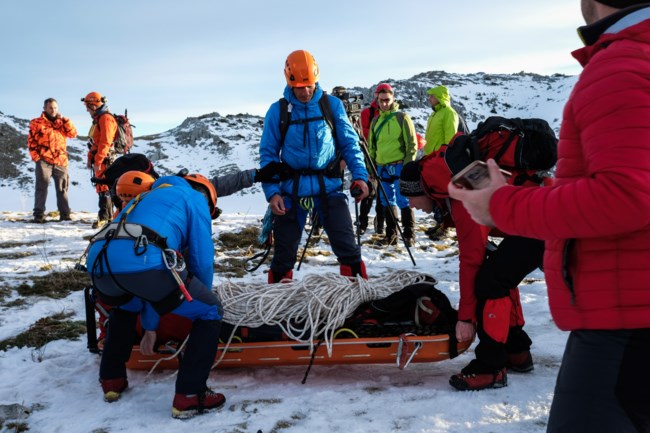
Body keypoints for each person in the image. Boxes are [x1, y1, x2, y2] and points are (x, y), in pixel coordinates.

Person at [447, 1, 650, 431]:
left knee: (491, 280)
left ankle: (498, 363)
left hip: (625, 319)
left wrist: (498, 204)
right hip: (626, 310)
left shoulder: (620, 63)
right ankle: (512, 355)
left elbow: (625, 196)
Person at [86, 172, 226, 419]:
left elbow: (142, 289)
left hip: (100, 267)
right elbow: (202, 260)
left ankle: (111, 379)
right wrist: (198, 297)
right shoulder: (193, 198)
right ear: (208, 198)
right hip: (144, 262)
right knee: (211, 310)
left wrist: (151, 328)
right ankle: (191, 396)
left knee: (126, 305)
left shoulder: (144, 197)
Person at [399, 160, 545, 391]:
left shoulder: (461, 197)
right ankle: (516, 351)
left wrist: (466, 319)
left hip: (543, 222)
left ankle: (490, 368)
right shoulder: (457, 186)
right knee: (498, 275)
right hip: (539, 219)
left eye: (410, 197)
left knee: (488, 283)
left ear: (424, 190)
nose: (410, 205)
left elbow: (470, 261)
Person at [259, 49, 370, 283]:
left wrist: (360, 176)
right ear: (289, 82)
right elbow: (268, 155)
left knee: (348, 250)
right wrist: (272, 192)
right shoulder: (277, 111)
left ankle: (359, 298)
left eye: (309, 85)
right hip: (291, 191)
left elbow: (350, 144)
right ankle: (278, 306)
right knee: (283, 256)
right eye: (300, 86)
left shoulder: (332, 106)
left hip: (329, 189)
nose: (305, 91)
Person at [368, 83, 418, 246]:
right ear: (377, 99)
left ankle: (409, 235)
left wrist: (408, 166)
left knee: (404, 200)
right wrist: (371, 168)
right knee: (385, 201)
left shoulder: (402, 117)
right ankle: (391, 236)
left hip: (399, 166)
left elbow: (412, 143)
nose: (384, 104)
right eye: (381, 101)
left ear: (393, 98)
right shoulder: (375, 121)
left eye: (387, 100)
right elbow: (372, 147)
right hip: (381, 167)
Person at [27, 98, 77, 223]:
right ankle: (38, 215)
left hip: (61, 161)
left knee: (62, 189)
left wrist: (65, 120)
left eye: (55, 107)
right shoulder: (36, 123)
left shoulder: (62, 123)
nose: (53, 110)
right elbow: (31, 142)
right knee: (41, 187)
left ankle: (65, 215)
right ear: (44, 108)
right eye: (50, 107)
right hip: (44, 160)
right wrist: (37, 158)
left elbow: (73, 134)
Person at [82, 91, 118, 229]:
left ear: (94, 105)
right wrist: (91, 158)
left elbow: (105, 142)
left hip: (105, 160)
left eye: (88, 106)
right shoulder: (100, 119)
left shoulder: (105, 119)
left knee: (104, 187)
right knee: (102, 187)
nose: (86, 109)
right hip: (102, 158)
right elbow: (96, 142)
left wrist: (97, 161)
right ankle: (107, 217)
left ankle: (105, 218)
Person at [358, 86, 384, 235]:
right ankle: (362, 223)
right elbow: (361, 132)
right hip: (368, 155)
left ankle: (380, 224)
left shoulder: (390, 115)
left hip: (384, 158)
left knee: (382, 194)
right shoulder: (367, 113)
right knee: (368, 192)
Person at [422, 85, 460, 156]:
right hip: (429, 156)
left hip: (438, 157)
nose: (429, 99)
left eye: (432, 96)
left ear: (440, 97)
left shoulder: (449, 112)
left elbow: (450, 138)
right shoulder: (434, 113)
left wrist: (444, 156)